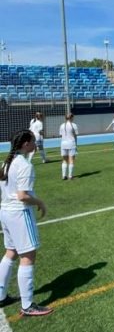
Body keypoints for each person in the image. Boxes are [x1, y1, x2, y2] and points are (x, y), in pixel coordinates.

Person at [0, 130, 53, 316]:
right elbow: (22, 196)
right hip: (19, 214)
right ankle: (27, 305)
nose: (35, 143)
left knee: (10, 253)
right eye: (33, 141)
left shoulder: (7, 162)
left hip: (6, 212)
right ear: (25, 144)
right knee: (28, 256)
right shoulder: (24, 165)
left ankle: (1, 295)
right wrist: (40, 202)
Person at [59, 113, 78, 180]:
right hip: (71, 143)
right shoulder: (74, 125)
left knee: (64, 160)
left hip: (63, 144)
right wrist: (76, 145)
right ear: (71, 118)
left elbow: (61, 135)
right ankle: (70, 176)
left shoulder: (61, 125)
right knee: (71, 160)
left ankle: (64, 176)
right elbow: (75, 136)